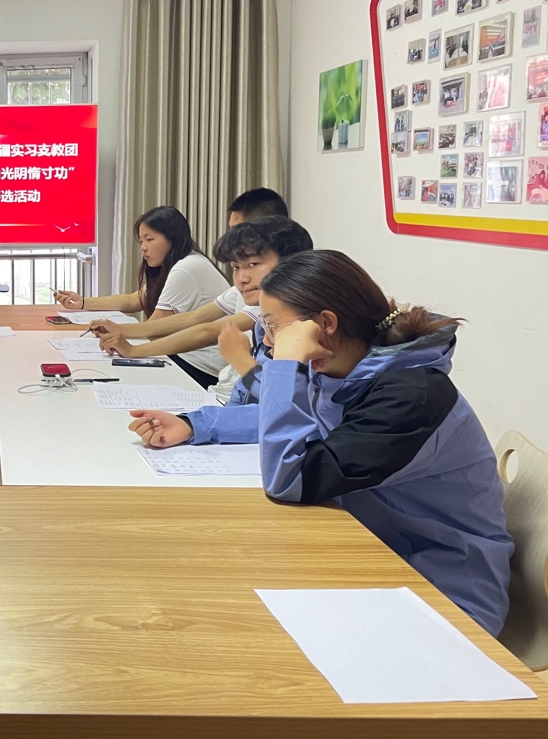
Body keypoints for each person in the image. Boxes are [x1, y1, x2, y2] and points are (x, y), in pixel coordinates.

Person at [129, 250, 513, 636]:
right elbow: (297, 419)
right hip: (371, 556)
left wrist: (286, 366)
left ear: (325, 324)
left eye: (274, 328)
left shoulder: (409, 398)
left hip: (444, 595)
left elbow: (290, 480)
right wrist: (193, 424)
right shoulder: (348, 371)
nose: (269, 343)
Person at [95, 217, 312, 403]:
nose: (242, 278)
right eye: (236, 267)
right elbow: (192, 318)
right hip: (224, 396)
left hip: (220, 388)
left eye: (253, 264)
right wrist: (121, 332)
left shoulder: (289, 318)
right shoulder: (254, 306)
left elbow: (208, 331)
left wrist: (133, 350)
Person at [55, 206, 230, 388]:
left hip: (201, 368)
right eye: (141, 240)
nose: (143, 247)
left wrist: (118, 332)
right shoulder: (178, 264)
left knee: (117, 375)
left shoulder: (187, 268)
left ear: (173, 238)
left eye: (150, 239)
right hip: (186, 356)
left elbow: (153, 330)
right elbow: (134, 300)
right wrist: (82, 302)